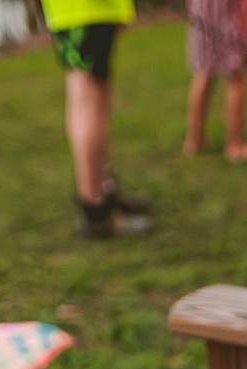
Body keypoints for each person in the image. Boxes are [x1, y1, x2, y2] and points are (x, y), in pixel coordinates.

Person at [40, 0, 154, 239]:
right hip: (86, 9)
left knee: (93, 97)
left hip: (84, 11)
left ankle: (103, 191)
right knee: (88, 100)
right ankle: (96, 210)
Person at [183, 0, 247, 160]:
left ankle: (194, 140)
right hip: (227, 18)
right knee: (236, 76)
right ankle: (236, 146)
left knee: (204, 71)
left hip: (202, 17)